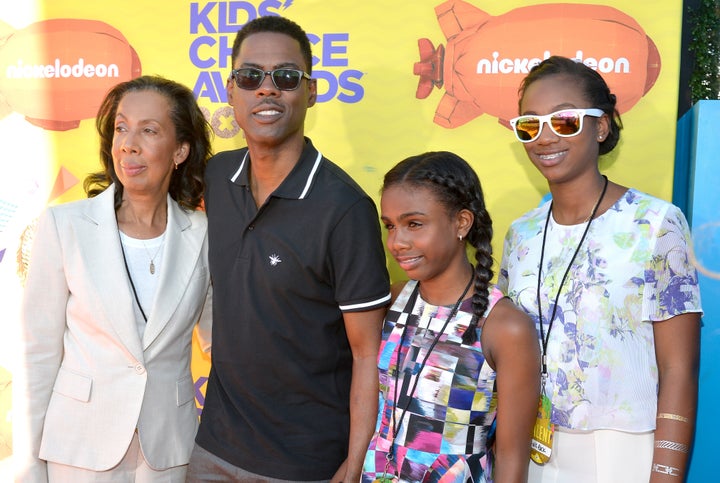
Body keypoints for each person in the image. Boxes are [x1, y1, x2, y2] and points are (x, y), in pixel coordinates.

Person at [186, 15, 391, 483]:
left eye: (286, 77)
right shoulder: (215, 179)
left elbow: (367, 354)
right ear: (231, 89)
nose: (267, 90)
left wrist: (355, 464)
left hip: (307, 463)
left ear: (311, 91)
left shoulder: (345, 208)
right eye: (250, 76)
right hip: (211, 448)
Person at [499, 56, 702, 483]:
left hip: (622, 454)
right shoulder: (521, 234)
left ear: (602, 126)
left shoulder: (655, 224)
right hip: (532, 451)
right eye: (530, 125)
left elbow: (680, 369)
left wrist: (665, 474)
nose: (545, 137)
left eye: (565, 121)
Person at [13, 75, 214, 482]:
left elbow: (222, 343)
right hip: (78, 449)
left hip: (168, 451)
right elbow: (38, 353)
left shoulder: (205, 233)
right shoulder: (65, 225)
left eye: (149, 130)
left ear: (180, 151)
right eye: (121, 128)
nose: (129, 143)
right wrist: (30, 465)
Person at [362, 151, 540, 483]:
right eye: (390, 226)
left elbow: (512, 457)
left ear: (461, 222)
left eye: (414, 224)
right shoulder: (395, 300)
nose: (397, 242)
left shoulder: (504, 327)